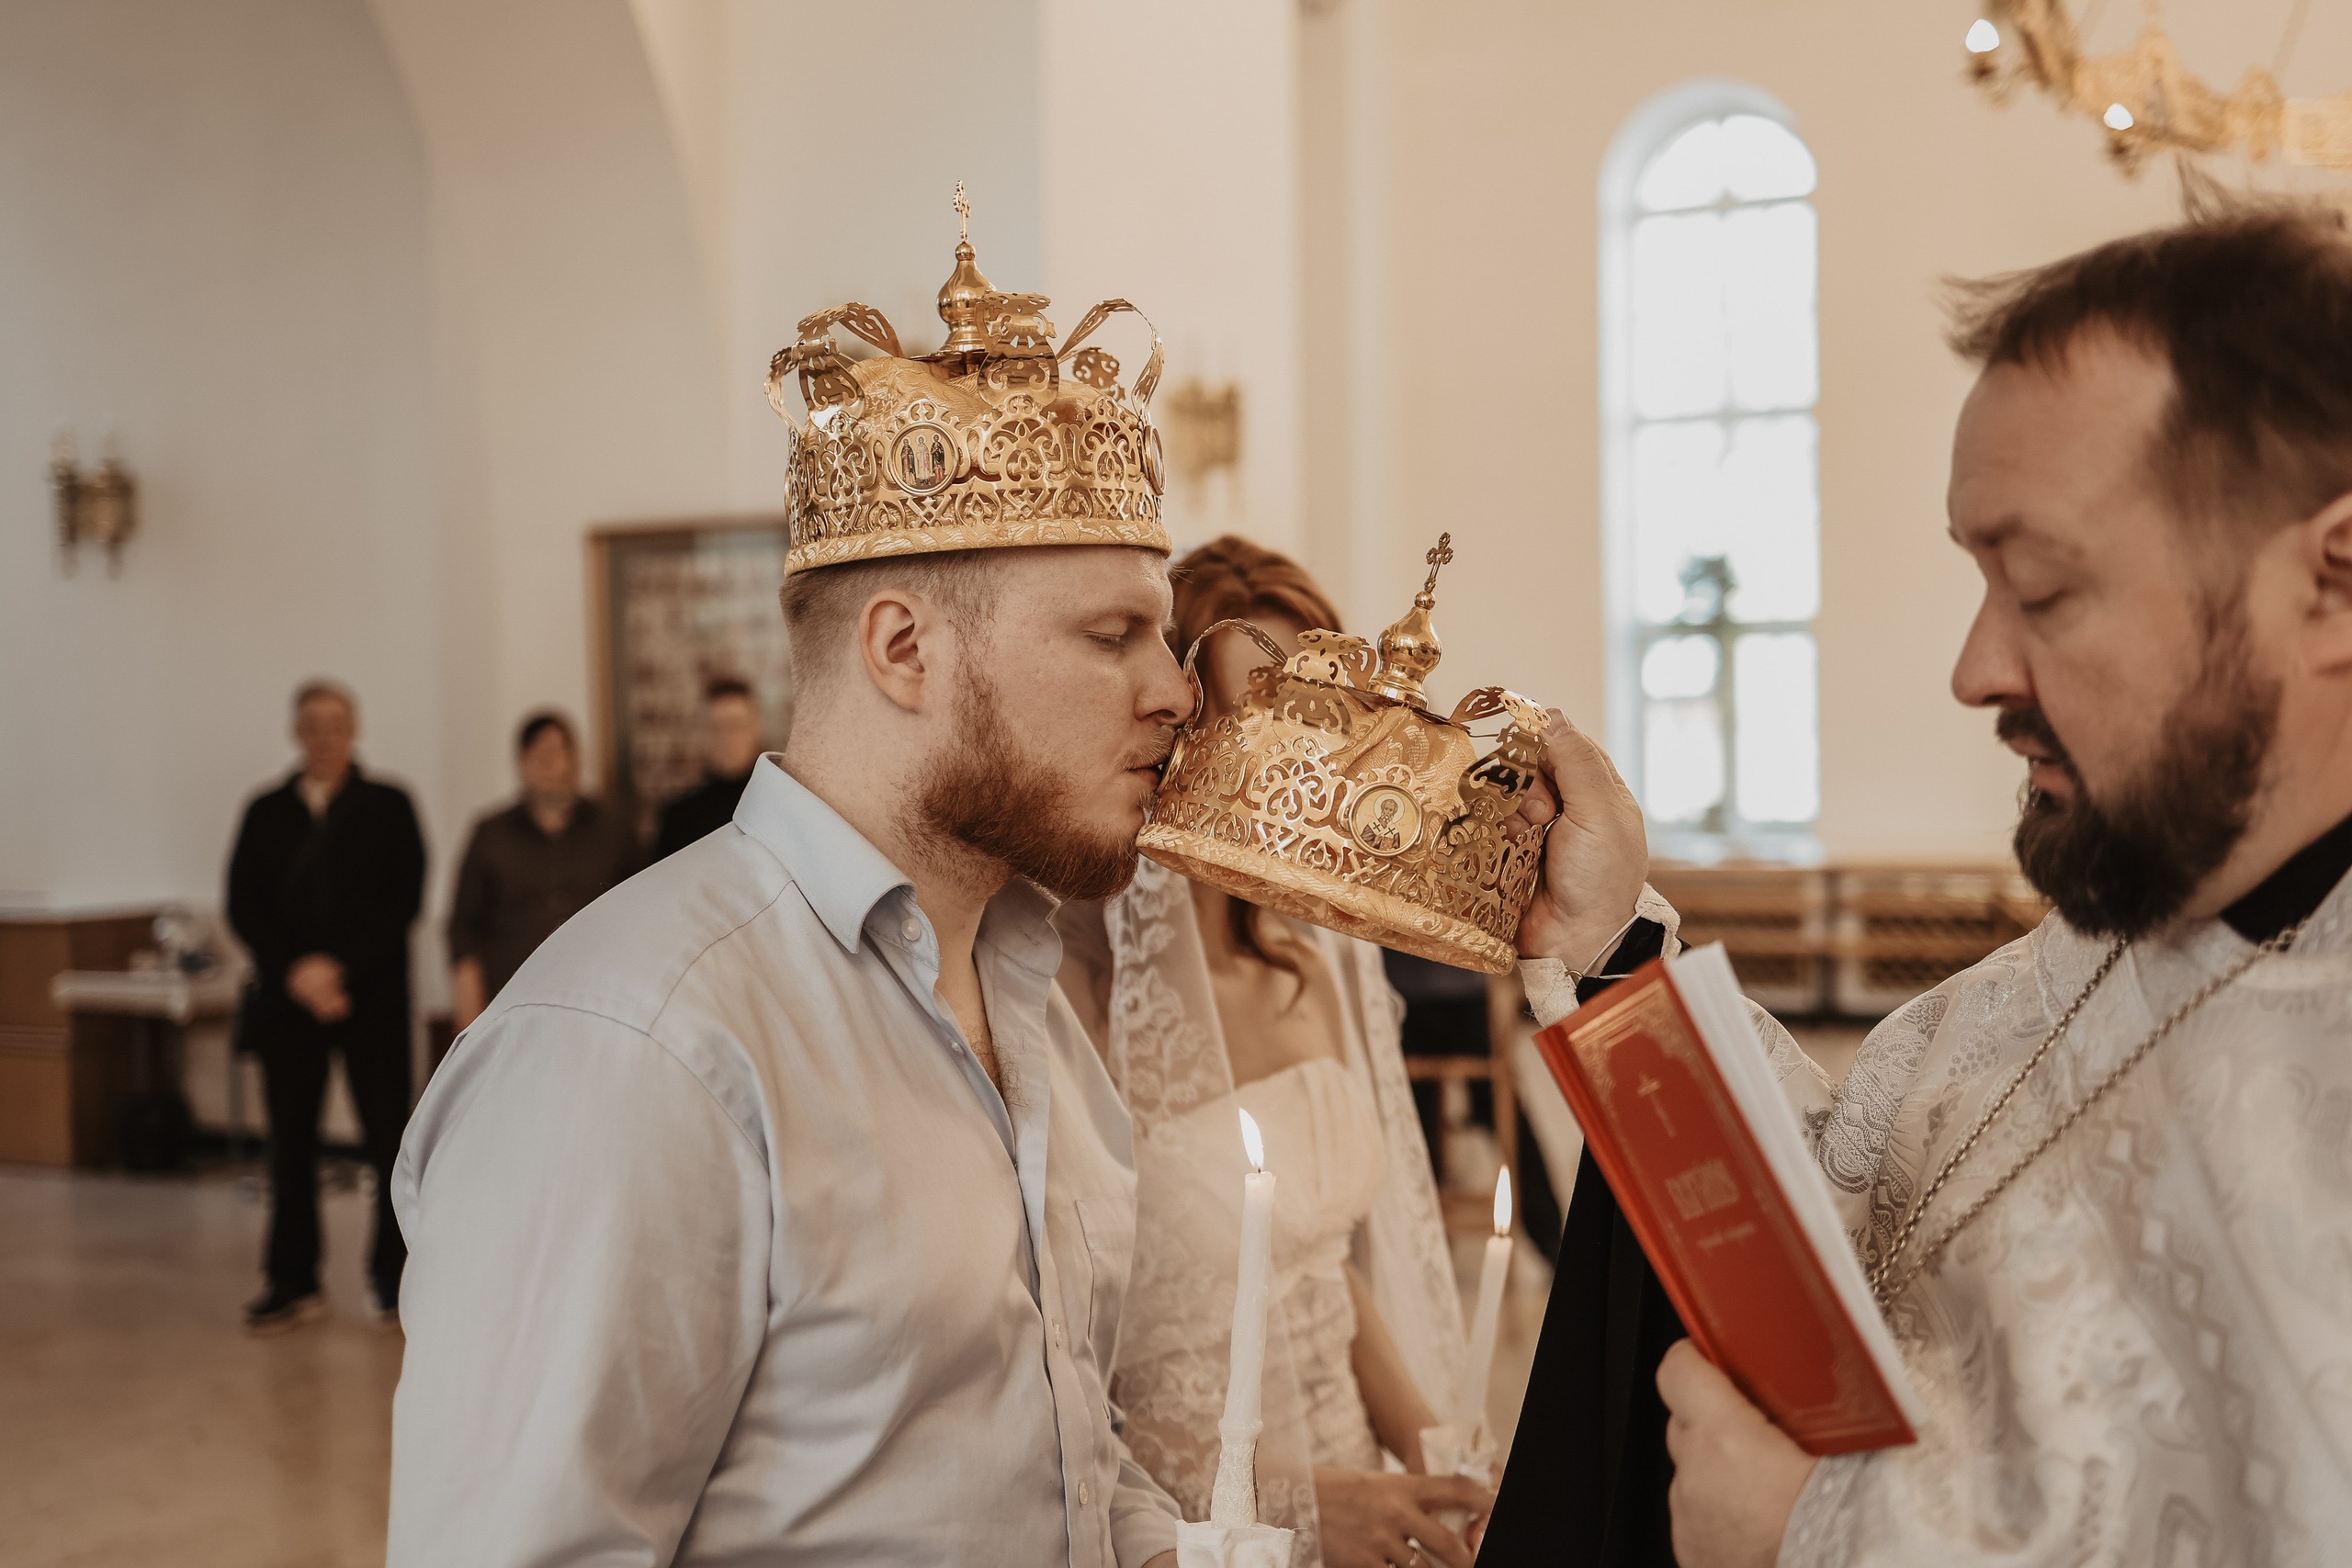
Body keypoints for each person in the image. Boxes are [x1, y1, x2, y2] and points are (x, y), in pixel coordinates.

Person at [1488, 201, 2352, 1567]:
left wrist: (1815, 1531)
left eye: (2043, 589)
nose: (1975, 669)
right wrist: (1613, 948)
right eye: (1977, 578)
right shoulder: (2101, 941)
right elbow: (1848, 1227)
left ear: (2334, 582)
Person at [386, 539, 1199, 1565]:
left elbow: (1057, 1438)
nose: (1175, 692)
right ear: (905, 650)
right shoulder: (635, 1044)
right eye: (1113, 635)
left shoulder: (1023, 983)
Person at [1056, 536, 1494, 1568]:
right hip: (1193, 1527)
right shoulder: (1073, 997)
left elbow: (1320, 1266)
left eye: (1324, 719)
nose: (1301, 762)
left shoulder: (1308, 967)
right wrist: (1306, 1508)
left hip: (1363, 1498)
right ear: (1180, 725)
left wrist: (1430, 1451)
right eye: (1265, 713)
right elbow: (1075, 1383)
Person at [224, 681, 426, 1332]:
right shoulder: (266, 810)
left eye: (335, 724)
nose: (324, 736)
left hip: (372, 1000)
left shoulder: (389, 805)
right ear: (297, 732)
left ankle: (393, 1280)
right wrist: (298, 972)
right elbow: (244, 903)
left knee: (388, 1140)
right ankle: (292, 1280)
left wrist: (338, 968)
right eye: (312, 725)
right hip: (290, 1005)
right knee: (290, 1145)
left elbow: (403, 899)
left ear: (353, 729)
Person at [446, 710, 639, 1029]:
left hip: (601, 1004)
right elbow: (463, 930)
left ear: (576, 759)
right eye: (542, 754)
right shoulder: (490, 835)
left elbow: (642, 916)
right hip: (510, 1009)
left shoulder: (614, 831)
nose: (553, 765)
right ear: (522, 762)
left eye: (561, 751)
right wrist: (470, 1018)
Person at [651, 675, 765, 860]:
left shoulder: (775, 809)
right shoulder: (678, 818)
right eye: (716, 727)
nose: (726, 738)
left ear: (756, 729)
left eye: (735, 725)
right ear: (701, 733)